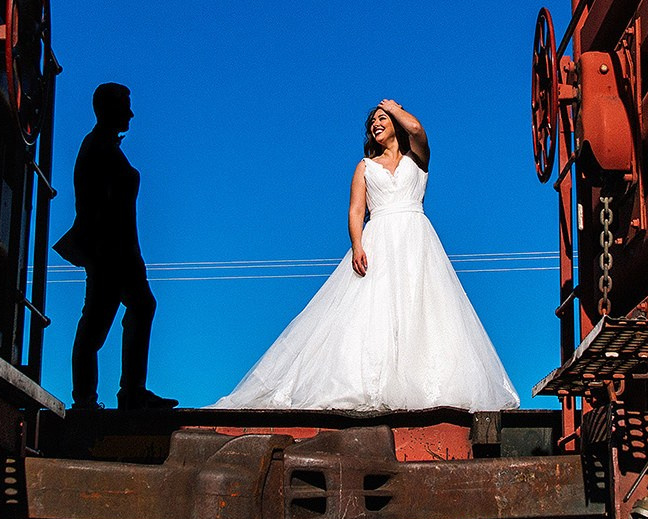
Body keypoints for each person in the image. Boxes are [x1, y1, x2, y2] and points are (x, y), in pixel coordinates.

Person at [214, 100, 520, 413]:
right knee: (374, 312)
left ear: (396, 124)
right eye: (373, 120)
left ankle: (427, 386)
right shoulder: (364, 167)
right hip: (378, 239)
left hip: (416, 239)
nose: (375, 123)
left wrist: (395, 108)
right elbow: (357, 209)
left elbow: (417, 129)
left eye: (382, 118)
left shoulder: (418, 160)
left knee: (423, 307)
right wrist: (358, 245)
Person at [59, 83, 175, 411]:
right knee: (97, 324)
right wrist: (112, 254)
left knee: (130, 310)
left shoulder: (104, 146)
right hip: (111, 253)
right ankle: (94, 398)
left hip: (119, 252)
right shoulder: (97, 147)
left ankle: (124, 392)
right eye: (126, 106)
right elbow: (100, 211)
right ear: (108, 109)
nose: (131, 113)